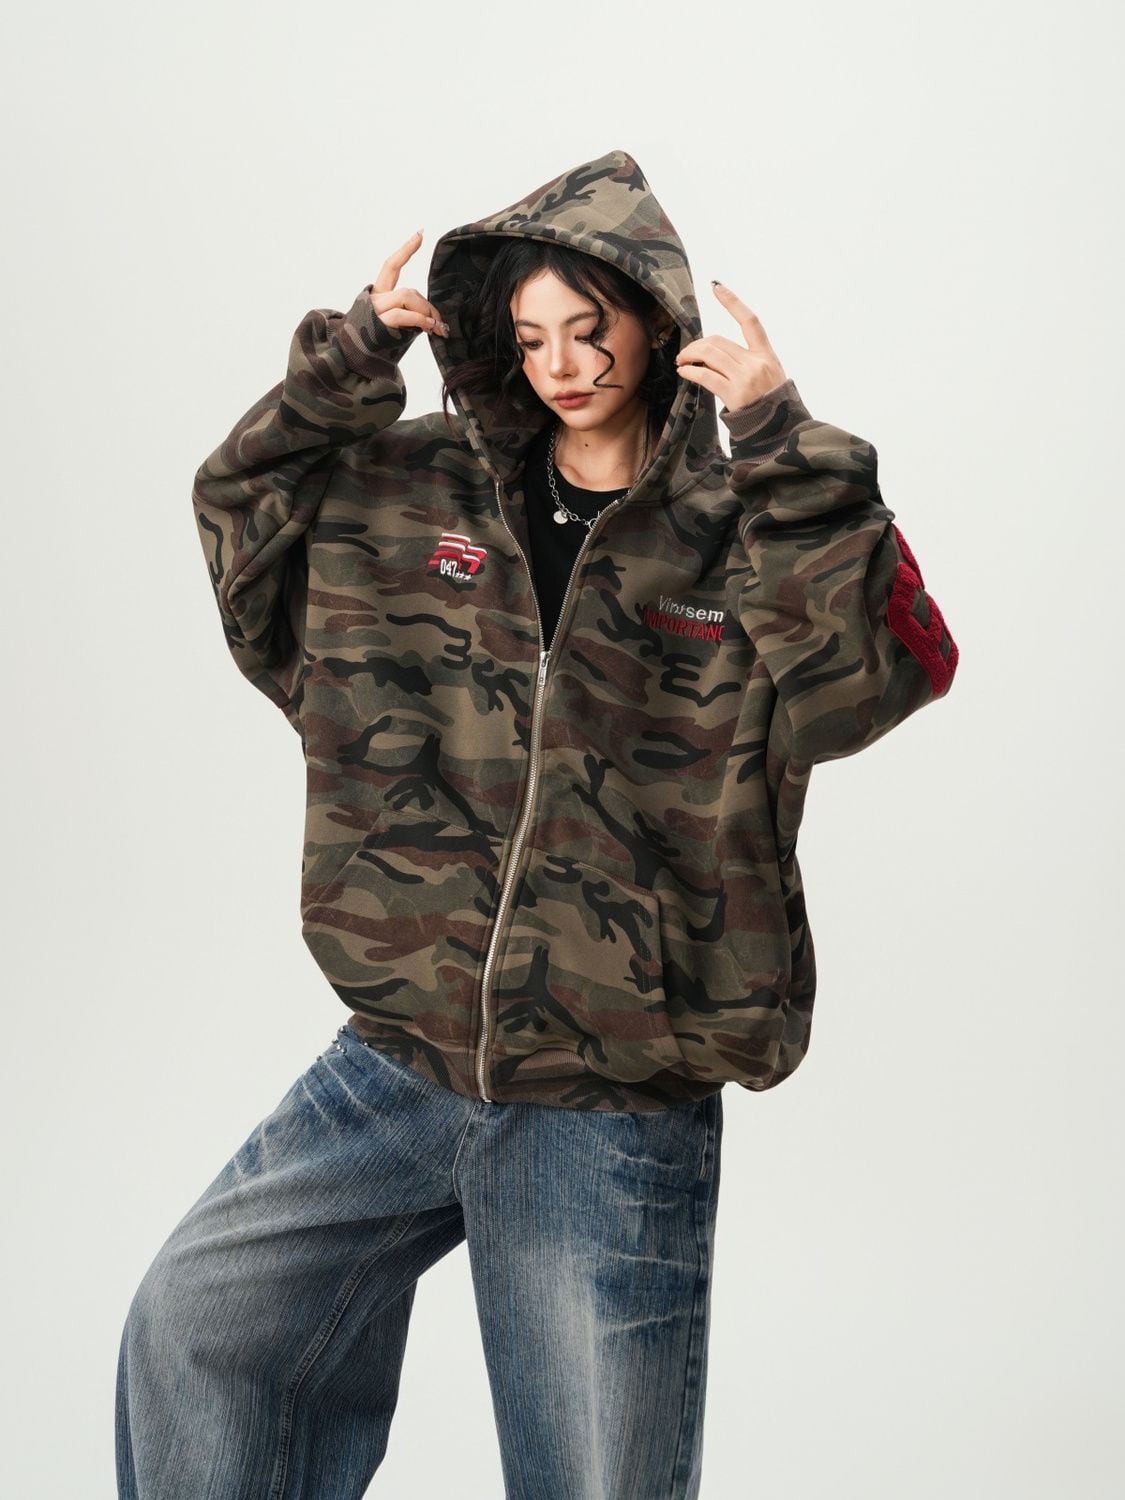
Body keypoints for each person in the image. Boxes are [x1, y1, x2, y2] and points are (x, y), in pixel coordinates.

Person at [115, 147, 959, 1498]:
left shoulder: (743, 521)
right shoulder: (410, 490)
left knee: (591, 1476)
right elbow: (240, 526)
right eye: (530, 335)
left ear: (655, 323)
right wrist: (341, 369)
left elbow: (873, 686)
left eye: (588, 328)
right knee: (201, 1326)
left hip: (613, 1091)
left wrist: (782, 447)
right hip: (402, 1053)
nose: (562, 364)